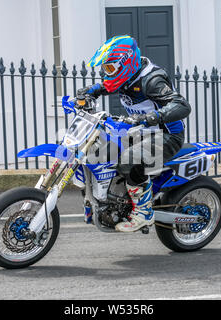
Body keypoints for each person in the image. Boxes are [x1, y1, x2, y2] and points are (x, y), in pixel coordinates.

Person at [77, 35, 191, 232]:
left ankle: (143, 212)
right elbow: (108, 85)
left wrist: (150, 117)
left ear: (126, 62)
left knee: (130, 159)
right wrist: (91, 90)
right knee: (101, 149)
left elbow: (182, 105)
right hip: (142, 132)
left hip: (167, 135)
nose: (107, 73)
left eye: (110, 68)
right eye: (105, 69)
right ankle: (114, 201)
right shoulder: (126, 76)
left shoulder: (152, 80)